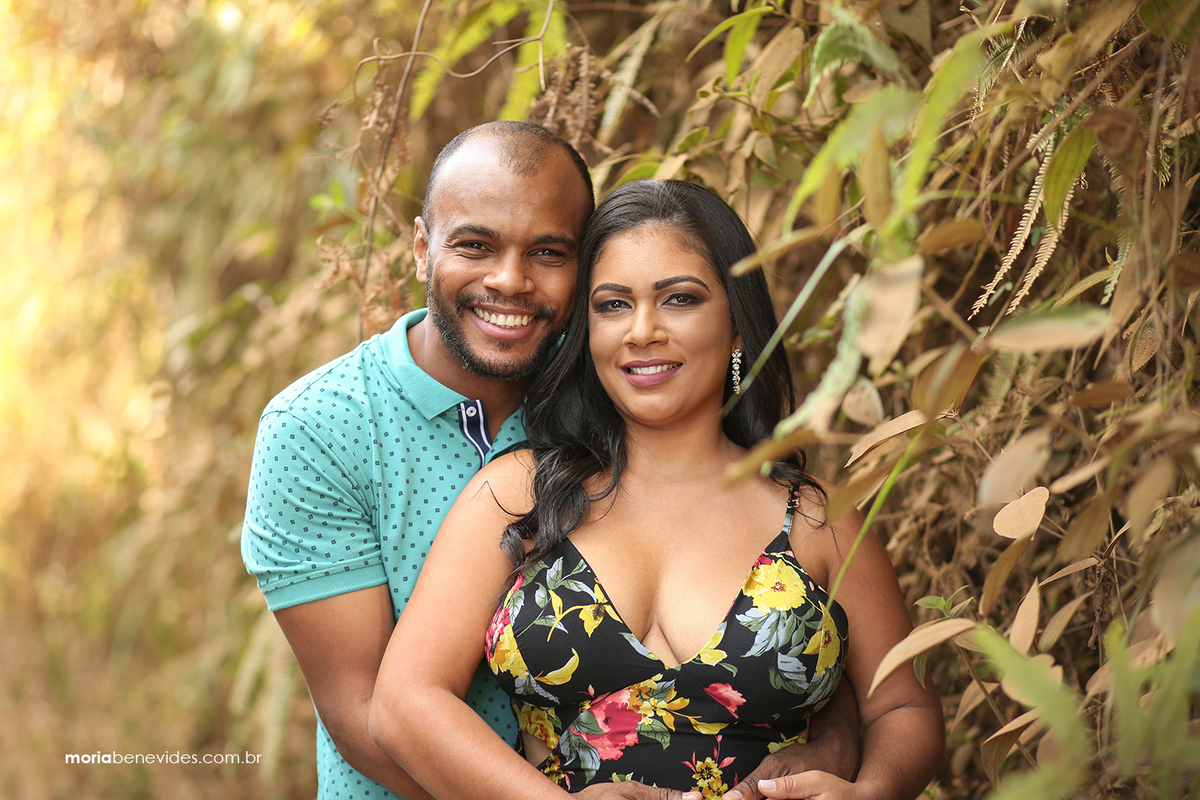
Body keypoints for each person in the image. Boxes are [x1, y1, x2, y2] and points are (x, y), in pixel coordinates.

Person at [242, 124, 860, 800]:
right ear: (422, 248)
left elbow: (803, 642)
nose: (510, 280)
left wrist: (836, 742)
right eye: (475, 245)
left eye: (547, 252)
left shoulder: (624, 381)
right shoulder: (319, 429)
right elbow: (369, 715)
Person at [368, 180, 944, 800]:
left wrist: (870, 793)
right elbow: (405, 701)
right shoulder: (519, 493)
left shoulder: (816, 518)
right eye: (613, 305)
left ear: (739, 327)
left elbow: (902, 707)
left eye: (680, 299)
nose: (642, 331)